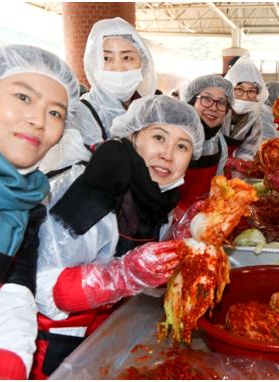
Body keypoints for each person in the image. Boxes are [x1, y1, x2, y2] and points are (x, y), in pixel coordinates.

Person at [30, 95, 204, 378]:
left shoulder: (157, 196)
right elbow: (44, 285)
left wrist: (182, 236)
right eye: (158, 137)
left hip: (106, 331)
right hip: (57, 342)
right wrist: (123, 275)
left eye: (182, 146)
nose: (168, 154)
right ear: (134, 135)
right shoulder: (93, 187)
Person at [0, 44, 79, 379]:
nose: (38, 120)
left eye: (55, 113)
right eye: (23, 97)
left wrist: (2, 357)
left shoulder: (29, 202)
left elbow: (14, 290)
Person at [69, 17, 156, 145]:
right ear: (94, 64)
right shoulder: (80, 116)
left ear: (143, 64)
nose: (118, 68)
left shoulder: (150, 113)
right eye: (106, 58)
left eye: (127, 57)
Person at [178, 74, 234, 209]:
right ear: (191, 102)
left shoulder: (220, 143)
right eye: (206, 99)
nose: (213, 108)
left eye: (221, 103)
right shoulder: (176, 137)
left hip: (201, 217)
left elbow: (217, 186)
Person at [222, 56, 269, 162]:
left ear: (258, 94)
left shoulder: (254, 122)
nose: (245, 97)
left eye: (251, 91)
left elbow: (246, 155)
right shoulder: (216, 113)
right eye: (239, 89)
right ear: (229, 90)